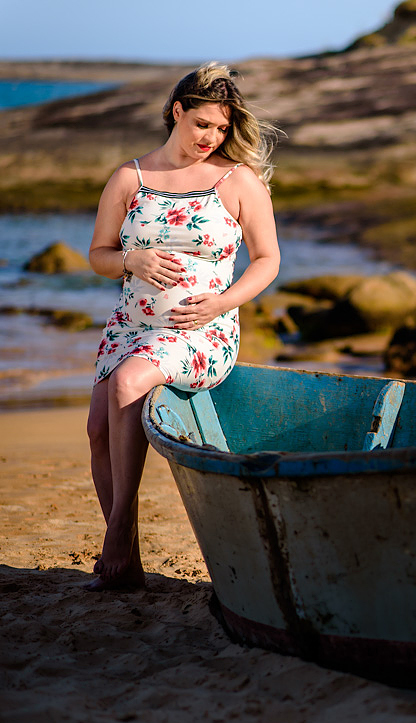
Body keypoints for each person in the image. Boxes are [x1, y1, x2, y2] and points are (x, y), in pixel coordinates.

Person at [86, 63, 281, 591]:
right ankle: (127, 564)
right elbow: (98, 255)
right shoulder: (131, 178)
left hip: (201, 331)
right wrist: (133, 259)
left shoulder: (237, 181)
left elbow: (267, 261)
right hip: (130, 325)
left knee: (128, 382)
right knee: (98, 432)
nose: (211, 138)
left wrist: (220, 304)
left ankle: (119, 533)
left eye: (220, 129)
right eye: (202, 125)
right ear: (177, 111)